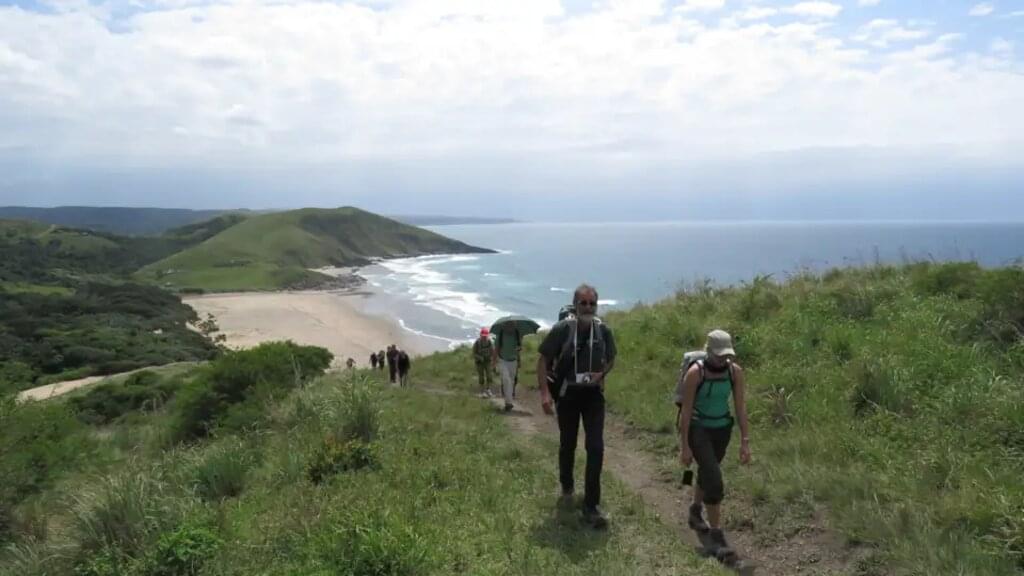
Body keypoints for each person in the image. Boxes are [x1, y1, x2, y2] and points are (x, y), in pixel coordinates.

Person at [537, 283, 616, 528]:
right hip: (568, 394)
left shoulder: (603, 331)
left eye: (592, 303)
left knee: (596, 447)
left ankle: (591, 505)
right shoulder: (562, 329)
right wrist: (544, 395)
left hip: (593, 395)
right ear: (575, 305)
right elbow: (543, 360)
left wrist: (600, 374)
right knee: (568, 443)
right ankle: (567, 486)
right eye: (583, 303)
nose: (588, 307)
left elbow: (612, 358)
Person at [676, 329, 751, 552]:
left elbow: (740, 407)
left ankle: (695, 509)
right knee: (715, 480)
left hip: (722, 429)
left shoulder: (735, 373)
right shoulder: (695, 374)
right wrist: (685, 447)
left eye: (727, 355)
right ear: (708, 351)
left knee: (708, 471)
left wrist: (745, 441)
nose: (723, 359)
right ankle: (717, 535)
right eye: (719, 355)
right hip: (698, 429)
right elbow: (686, 413)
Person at [495, 322, 522, 412]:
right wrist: (494, 362)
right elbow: (496, 349)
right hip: (503, 360)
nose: (511, 328)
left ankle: (508, 400)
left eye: (513, 326)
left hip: (513, 361)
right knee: (506, 380)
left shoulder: (517, 334)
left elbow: (519, 349)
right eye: (509, 326)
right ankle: (508, 402)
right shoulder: (501, 335)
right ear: (505, 326)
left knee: (512, 381)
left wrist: (519, 359)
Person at [472, 328, 495, 397]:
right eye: (483, 336)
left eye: (485, 336)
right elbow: (474, 353)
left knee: (489, 376)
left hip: (487, 361)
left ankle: (488, 389)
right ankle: (482, 391)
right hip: (480, 362)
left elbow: (492, 351)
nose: (484, 337)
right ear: (480, 335)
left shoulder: (489, 342)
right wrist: (479, 357)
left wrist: (493, 359)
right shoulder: (477, 343)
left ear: (487, 336)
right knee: (481, 377)